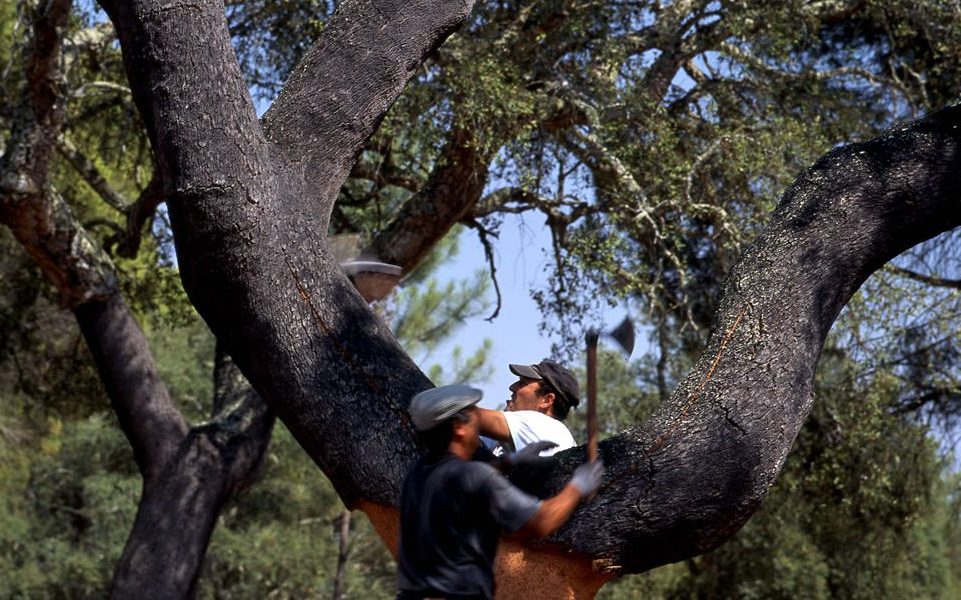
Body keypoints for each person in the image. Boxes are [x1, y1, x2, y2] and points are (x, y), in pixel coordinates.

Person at [396, 384, 603, 600]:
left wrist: (509, 462)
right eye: (474, 413)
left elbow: (462, 485)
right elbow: (542, 521)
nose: (479, 419)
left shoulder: (418, 474)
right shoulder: (475, 476)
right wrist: (578, 485)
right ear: (459, 427)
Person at [477, 360, 579, 457]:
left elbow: (471, 417)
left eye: (522, 383)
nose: (512, 387)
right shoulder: (508, 437)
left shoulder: (548, 428)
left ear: (547, 400)